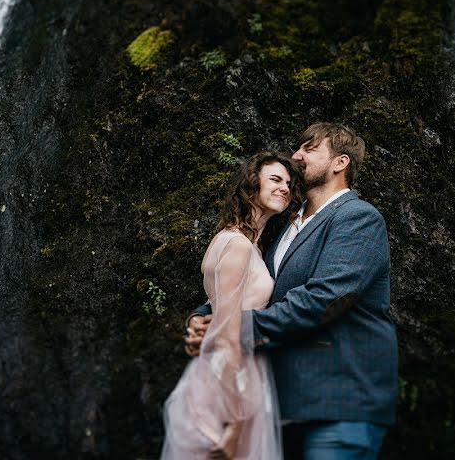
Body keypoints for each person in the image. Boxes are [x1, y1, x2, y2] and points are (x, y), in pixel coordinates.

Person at [185, 123, 398, 459]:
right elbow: (254, 286)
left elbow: (325, 298)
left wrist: (231, 326)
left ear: (340, 163)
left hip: (338, 406)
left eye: (309, 149)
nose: (296, 156)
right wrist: (203, 317)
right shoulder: (285, 226)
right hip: (280, 408)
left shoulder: (358, 218)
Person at [162, 151, 305, 460]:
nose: (285, 188)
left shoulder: (245, 243)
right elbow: (227, 334)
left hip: (237, 371)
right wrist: (236, 424)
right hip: (231, 381)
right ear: (252, 185)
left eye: (289, 183)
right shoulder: (237, 245)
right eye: (275, 180)